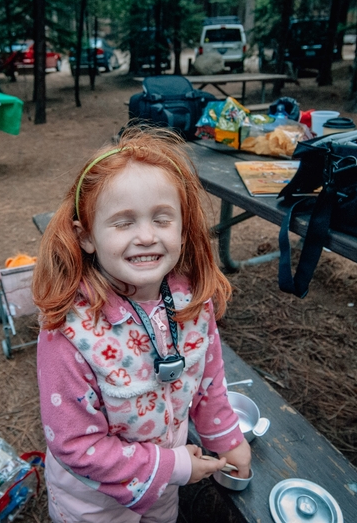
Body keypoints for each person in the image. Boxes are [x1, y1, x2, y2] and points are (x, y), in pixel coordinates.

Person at [33, 127, 252, 522]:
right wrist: (176, 467)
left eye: (162, 219)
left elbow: (208, 384)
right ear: (86, 237)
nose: (147, 236)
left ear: (183, 230)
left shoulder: (193, 305)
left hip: (164, 488)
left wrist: (227, 439)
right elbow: (75, 444)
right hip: (92, 503)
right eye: (124, 222)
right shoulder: (68, 333)